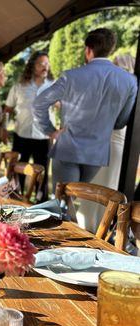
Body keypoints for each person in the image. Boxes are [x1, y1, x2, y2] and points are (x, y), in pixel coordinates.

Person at [33, 28, 138, 192]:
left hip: (68, 149)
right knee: (73, 201)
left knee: (63, 203)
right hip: (97, 154)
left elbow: (39, 103)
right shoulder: (130, 81)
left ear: (88, 50)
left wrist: (50, 131)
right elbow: (121, 122)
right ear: (111, 49)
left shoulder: (71, 76)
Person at [77, 54, 136, 233]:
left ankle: (90, 228)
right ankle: (100, 230)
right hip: (116, 145)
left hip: (103, 145)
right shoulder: (131, 86)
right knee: (106, 191)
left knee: (97, 190)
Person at [5, 51, 54, 200]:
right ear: (32, 66)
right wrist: (4, 128)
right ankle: (14, 202)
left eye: (46, 63)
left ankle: (41, 205)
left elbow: (63, 107)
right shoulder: (19, 87)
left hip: (43, 138)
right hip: (21, 136)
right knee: (17, 173)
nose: (44, 67)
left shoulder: (54, 86)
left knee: (42, 176)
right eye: (41, 64)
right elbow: (7, 109)